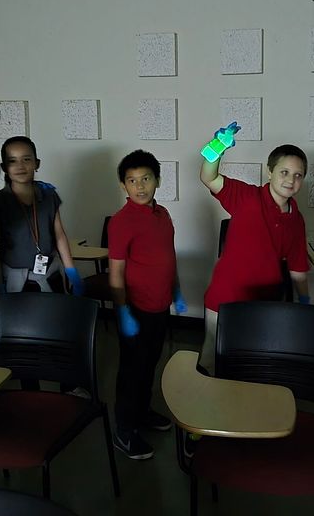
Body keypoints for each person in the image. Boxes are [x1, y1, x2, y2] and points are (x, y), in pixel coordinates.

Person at [199, 134, 311, 374]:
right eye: (284, 172)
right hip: (226, 297)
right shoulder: (246, 197)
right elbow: (208, 177)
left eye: (298, 175)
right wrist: (216, 147)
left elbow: (298, 268)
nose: (290, 180)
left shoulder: (296, 219)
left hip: (265, 302)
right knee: (212, 361)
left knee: (252, 364)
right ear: (269, 172)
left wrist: (305, 302)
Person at [108, 150, 186, 460]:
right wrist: (123, 311)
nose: (139, 186)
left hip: (159, 306)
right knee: (132, 370)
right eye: (132, 181)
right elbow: (116, 273)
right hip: (135, 309)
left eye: (146, 179)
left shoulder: (163, 214)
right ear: (123, 185)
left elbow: (169, 257)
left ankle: (141, 413)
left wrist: (176, 291)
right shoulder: (121, 222)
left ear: (158, 181)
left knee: (150, 363)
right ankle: (124, 431)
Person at [0, 136, 83, 296]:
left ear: (36, 163)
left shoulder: (49, 195)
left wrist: (71, 272)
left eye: (26, 159)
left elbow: (59, 235)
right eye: (12, 161)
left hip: (50, 276)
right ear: (4, 167)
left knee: (56, 311)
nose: (20, 166)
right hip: (15, 281)